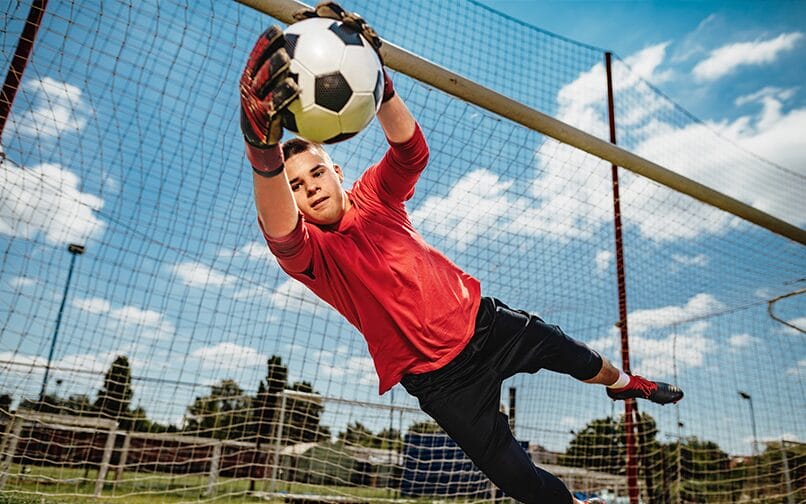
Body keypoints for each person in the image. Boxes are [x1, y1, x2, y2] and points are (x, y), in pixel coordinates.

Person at [239, 3, 683, 503]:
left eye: (316, 173)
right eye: (296, 186)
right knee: (517, 479)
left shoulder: (374, 195)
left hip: (485, 325)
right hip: (441, 382)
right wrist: (263, 149)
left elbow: (412, 153)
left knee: (576, 355)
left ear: (336, 171)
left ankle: (625, 383)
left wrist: (379, 81)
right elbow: (282, 234)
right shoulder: (313, 254)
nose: (310, 187)